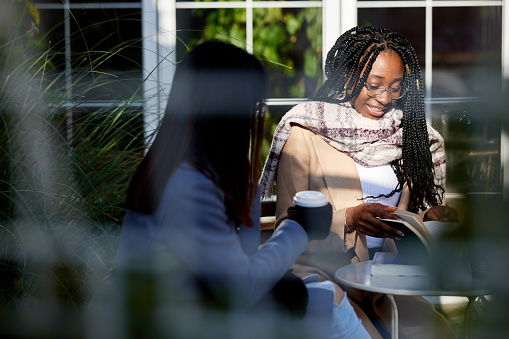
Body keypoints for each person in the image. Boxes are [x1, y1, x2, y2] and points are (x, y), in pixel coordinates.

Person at [114, 40, 371, 338]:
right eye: (253, 106)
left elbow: (237, 264)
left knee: (326, 295)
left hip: (195, 312)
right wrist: (299, 227)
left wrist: (247, 199)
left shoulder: (181, 171)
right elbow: (241, 287)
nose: (254, 117)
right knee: (331, 303)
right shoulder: (190, 189)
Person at [260, 26, 458, 338]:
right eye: (374, 85)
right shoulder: (305, 134)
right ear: (350, 78)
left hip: (385, 285)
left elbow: (402, 219)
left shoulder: (409, 138)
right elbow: (289, 226)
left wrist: (426, 221)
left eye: (396, 88)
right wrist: (350, 219)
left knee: (439, 332)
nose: (385, 99)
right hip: (324, 279)